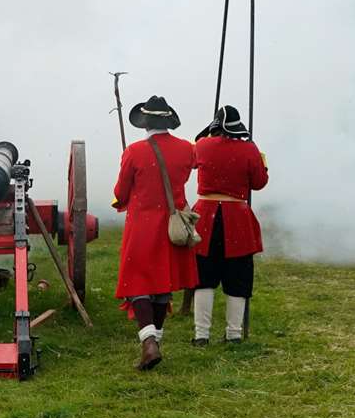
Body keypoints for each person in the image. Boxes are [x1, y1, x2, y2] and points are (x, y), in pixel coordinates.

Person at [112, 96, 198, 370]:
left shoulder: (134, 151)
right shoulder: (186, 149)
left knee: (138, 282)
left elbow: (120, 192)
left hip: (142, 225)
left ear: (145, 123)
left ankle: (149, 341)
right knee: (162, 283)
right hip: (173, 225)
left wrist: (122, 201)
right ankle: (154, 341)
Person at [190, 106, 268, 346]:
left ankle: (201, 335)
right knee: (237, 277)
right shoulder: (249, 149)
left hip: (205, 217)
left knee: (203, 278)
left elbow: (194, 158)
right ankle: (233, 334)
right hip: (237, 218)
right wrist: (260, 161)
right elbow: (259, 183)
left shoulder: (203, 145)